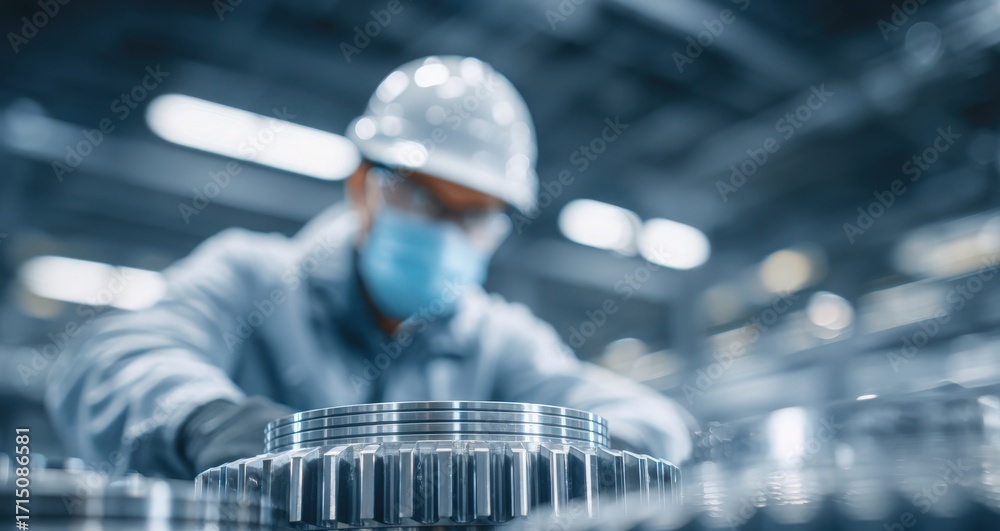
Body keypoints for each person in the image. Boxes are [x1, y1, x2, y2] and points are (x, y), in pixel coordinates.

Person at [45, 56, 693, 478]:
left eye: (474, 214)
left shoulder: (499, 342)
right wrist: (205, 417)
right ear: (364, 185)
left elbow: (651, 423)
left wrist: (520, 468)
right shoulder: (253, 278)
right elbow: (107, 359)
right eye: (422, 196)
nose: (445, 229)